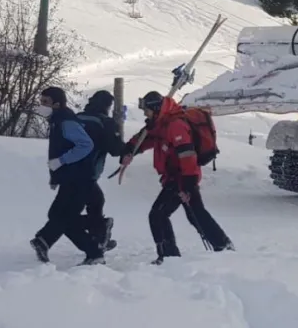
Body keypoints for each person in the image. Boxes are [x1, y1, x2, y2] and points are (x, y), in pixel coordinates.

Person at [120, 91, 233, 264]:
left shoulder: (175, 125)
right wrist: (129, 149)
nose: (145, 114)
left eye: (147, 111)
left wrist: (187, 184)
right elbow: (147, 137)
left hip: (182, 177)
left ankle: (169, 257)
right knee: (195, 213)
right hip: (178, 176)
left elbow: (187, 153)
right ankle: (223, 245)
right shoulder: (161, 123)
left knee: (158, 215)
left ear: (156, 109)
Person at [30, 87, 105, 265]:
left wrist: (62, 161)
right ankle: (94, 245)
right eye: (41, 102)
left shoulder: (66, 121)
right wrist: (55, 176)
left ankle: (45, 240)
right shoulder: (57, 120)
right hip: (71, 177)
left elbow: (86, 145)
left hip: (79, 178)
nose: (42, 105)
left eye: (46, 102)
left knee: (61, 216)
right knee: (61, 216)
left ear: (57, 103)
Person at [75, 90, 125, 252]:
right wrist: (118, 133)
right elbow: (115, 150)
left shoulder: (78, 118)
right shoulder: (105, 122)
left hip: (68, 169)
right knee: (69, 212)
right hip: (88, 172)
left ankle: (99, 236)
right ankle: (98, 236)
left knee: (94, 203)